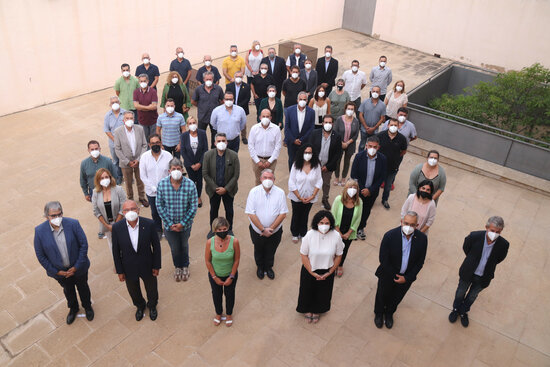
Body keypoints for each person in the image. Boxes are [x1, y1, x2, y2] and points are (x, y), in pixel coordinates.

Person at [34, 201, 93, 325]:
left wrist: (76, 267)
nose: (57, 218)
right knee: (68, 290)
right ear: (46, 216)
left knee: (83, 287)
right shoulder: (39, 231)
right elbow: (41, 256)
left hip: (79, 268)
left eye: (59, 214)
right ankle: (73, 308)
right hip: (61, 273)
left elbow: (83, 245)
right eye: (53, 216)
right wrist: (56, 271)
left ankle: (87, 306)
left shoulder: (73, 224)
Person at [449, 216, 509, 328]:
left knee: (472, 296)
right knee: (461, 292)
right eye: (492, 230)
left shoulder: (504, 244)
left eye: (498, 232)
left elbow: (499, 259)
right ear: (486, 227)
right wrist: (472, 260)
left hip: (484, 277)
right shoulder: (474, 236)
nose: (494, 234)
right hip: (468, 272)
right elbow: (466, 248)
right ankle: (456, 309)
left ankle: (463, 311)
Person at [374, 211, 428, 329]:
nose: (408, 227)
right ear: (401, 222)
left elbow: (420, 262)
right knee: (382, 295)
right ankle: (378, 314)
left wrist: (407, 278)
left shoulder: (422, 239)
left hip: (406, 278)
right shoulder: (390, 236)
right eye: (406, 223)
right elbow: (383, 258)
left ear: (417, 225)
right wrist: (394, 275)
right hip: (388, 275)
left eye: (412, 225)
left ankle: (389, 314)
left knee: (396, 298)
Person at [112, 200, 161, 321]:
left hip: (147, 264)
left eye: (133, 209)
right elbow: (116, 251)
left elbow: (156, 247)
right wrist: (120, 271)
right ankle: (140, 306)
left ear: (138, 210)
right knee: (133, 290)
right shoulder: (117, 228)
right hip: (128, 267)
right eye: (127, 210)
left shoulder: (149, 224)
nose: (130, 212)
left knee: (152, 288)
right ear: (123, 213)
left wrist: (156, 265)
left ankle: (152, 306)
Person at [296, 210, 343, 324]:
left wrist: (331, 271)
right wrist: (312, 272)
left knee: (323, 293)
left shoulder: (336, 236)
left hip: (327, 270)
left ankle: (317, 310)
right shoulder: (310, 235)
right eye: (321, 223)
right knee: (306, 290)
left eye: (327, 223)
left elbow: (338, 255)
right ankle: (307, 309)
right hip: (310, 269)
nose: (324, 226)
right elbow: (304, 255)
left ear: (331, 224)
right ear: (316, 223)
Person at [156, 158, 198, 282]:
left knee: (184, 245)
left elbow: (193, 206)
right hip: (170, 226)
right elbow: (159, 205)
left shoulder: (190, 184)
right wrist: (170, 224)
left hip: (185, 225)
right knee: (174, 247)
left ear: (182, 170)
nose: (176, 171)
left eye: (178, 169)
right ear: (169, 171)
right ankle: (177, 267)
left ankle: (185, 265)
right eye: (173, 169)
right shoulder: (162, 185)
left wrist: (182, 223)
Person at [245, 169, 288, 280]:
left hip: (275, 231)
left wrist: (271, 229)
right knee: (258, 249)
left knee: (271, 249)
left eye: (270, 178)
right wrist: (262, 229)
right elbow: (251, 213)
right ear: (260, 179)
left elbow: (283, 214)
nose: (267, 180)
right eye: (265, 177)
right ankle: (260, 267)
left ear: (274, 179)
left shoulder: (280, 193)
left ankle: (268, 267)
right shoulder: (253, 192)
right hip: (257, 231)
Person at [205, 217, 241, 327]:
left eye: (224, 229)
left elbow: (236, 260)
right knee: (216, 295)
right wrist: (215, 277)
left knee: (230, 294)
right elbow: (207, 261)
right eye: (219, 230)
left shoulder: (234, 241)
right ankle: (218, 314)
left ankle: (229, 314)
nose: (222, 232)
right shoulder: (209, 242)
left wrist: (231, 276)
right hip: (215, 275)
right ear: (215, 230)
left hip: (230, 274)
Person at [350, 136, 387, 240]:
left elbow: (382, 177)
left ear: (378, 147)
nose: (372, 149)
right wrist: (362, 189)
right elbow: (354, 174)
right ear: (366, 146)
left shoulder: (383, 159)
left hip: (372, 192)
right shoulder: (359, 157)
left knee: (366, 211)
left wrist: (370, 190)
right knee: (355, 209)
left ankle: (360, 228)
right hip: (358, 190)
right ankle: (352, 228)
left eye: (374, 147)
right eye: (370, 146)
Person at [80, 140, 116, 240]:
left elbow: (115, 175)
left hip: (108, 189)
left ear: (100, 149)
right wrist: (86, 193)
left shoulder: (107, 161)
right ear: (88, 150)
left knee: (111, 208)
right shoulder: (84, 164)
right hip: (94, 191)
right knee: (99, 210)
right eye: (92, 149)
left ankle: (115, 226)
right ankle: (103, 229)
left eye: (96, 149)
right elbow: (82, 179)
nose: (94, 151)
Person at [203, 133, 240, 231]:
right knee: (213, 211)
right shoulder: (208, 155)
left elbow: (236, 175)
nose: (221, 143)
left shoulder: (233, 155)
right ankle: (213, 230)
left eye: (223, 141)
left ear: (227, 142)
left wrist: (226, 189)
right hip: (213, 190)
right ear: (215, 143)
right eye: (219, 141)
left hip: (229, 190)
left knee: (229, 211)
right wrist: (215, 188)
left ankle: (229, 230)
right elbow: (205, 173)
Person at [139, 134, 173, 236]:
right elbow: (143, 175)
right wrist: (152, 187)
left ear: (161, 143)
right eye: (153, 143)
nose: (155, 145)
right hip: (151, 192)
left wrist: (164, 187)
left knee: (168, 211)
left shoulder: (168, 156)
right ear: (149, 145)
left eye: (157, 142)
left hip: (166, 190)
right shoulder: (144, 157)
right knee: (155, 212)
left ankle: (168, 229)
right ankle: (158, 229)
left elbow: (170, 173)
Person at [288, 144, 323, 243]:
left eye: (309, 153)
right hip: (296, 197)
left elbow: (319, 181)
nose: (308, 154)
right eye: (306, 152)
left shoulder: (316, 166)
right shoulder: (296, 165)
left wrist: (312, 196)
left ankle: (303, 233)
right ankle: (295, 233)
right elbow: (291, 181)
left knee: (305, 215)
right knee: (296, 214)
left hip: (310, 197)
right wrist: (299, 196)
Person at [114, 111, 148, 206]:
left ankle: (142, 197)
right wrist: (127, 162)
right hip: (126, 163)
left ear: (134, 119)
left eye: (131, 118)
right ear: (123, 120)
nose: (129, 120)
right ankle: (130, 199)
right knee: (128, 183)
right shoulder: (118, 131)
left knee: (140, 180)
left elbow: (144, 145)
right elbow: (117, 148)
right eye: (127, 118)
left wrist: (139, 159)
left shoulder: (140, 129)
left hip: (138, 161)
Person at [308, 115, 342, 210]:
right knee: (311, 181)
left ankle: (325, 199)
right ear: (322, 123)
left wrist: (328, 166)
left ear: (333, 124)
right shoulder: (315, 134)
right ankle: (310, 196)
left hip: (328, 166)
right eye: (326, 122)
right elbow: (310, 148)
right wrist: (314, 163)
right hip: (315, 165)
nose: (328, 124)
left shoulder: (337, 136)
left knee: (326, 183)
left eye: (330, 122)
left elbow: (338, 154)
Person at [331, 180, 363, 277]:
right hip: (336, 231)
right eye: (350, 187)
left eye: (354, 188)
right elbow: (333, 215)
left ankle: (340, 265)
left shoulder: (359, 202)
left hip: (349, 232)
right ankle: (331, 264)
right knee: (333, 248)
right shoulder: (338, 199)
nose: (352, 190)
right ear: (346, 189)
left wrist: (349, 233)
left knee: (344, 249)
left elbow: (358, 219)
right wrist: (338, 232)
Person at [92, 168, 126, 252]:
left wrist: (116, 224)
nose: (105, 179)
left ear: (110, 178)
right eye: (102, 178)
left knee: (124, 242)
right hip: (107, 225)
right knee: (112, 245)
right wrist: (107, 226)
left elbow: (123, 206)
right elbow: (96, 211)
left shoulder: (118, 189)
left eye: (106, 177)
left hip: (120, 222)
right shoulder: (95, 192)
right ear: (98, 180)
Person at [377, 118, 408, 209]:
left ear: (398, 126)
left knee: (388, 186)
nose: (393, 127)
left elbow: (403, 151)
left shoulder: (402, 139)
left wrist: (396, 158)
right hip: (379, 166)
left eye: (395, 125)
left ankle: (385, 200)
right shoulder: (380, 135)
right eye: (391, 125)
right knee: (375, 184)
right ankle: (372, 198)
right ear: (388, 125)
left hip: (392, 167)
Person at [180, 116, 208, 208]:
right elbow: (183, 151)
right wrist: (191, 164)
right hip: (189, 164)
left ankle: (198, 196)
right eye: (190, 123)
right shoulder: (184, 136)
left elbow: (205, 149)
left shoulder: (202, 133)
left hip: (200, 163)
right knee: (191, 180)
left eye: (194, 123)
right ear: (187, 125)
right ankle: (192, 196)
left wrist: (200, 163)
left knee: (199, 180)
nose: (192, 125)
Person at [248, 109, 282, 185]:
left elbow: (278, 146)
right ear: (260, 117)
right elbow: (250, 146)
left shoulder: (276, 129)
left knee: (269, 181)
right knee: (258, 181)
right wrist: (257, 161)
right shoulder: (254, 128)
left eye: (267, 116)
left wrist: (270, 161)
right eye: (263, 116)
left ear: (270, 117)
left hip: (271, 161)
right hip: (257, 160)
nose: (265, 118)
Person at [191, 71, 225, 148]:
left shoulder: (218, 89)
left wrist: (217, 108)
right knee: (201, 136)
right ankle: (203, 152)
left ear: (213, 79)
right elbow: (193, 101)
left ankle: (214, 151)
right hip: (202, 116)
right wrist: (200, 106)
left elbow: (222, 100)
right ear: (203, 79)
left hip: (215, 118)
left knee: (215, 135)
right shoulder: (198, 89)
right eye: (207, 79)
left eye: (210, 79)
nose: (208, 81)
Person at [284, 92, 315, 169]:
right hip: (292, 142)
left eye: (304, 99)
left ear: (307, 101)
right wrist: (293, 140)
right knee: (291, 160)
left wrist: (301, 139)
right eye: (300, 99)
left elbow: (311, 128)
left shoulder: (311, 112)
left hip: (304, 142)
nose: (302, 101)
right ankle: (292, 178)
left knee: (304, 161)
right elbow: (287, 127)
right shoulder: (289, 110)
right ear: (297, 100)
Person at [333, 102, 360, 186]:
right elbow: (335, 132)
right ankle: (337, 177)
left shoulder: (356, 121)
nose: (350, 111)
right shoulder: (339, 119)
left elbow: (356, 135)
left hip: (350, 144)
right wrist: (341, 142)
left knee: (347, 161)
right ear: (345, 109)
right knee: (337, 161)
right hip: (339, 143)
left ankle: (344, 177)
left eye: (352, 109)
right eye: (349, 109)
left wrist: (347, 143)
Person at [225, 71, 251, 144]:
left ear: (242, 78)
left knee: (243, 123)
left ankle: (243, 137)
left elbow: (247, 98)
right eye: (237, 76)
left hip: (242, 108)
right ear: (234, 77)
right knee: (230, 122)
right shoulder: (229, 86)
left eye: (240, 77)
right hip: (230, 107)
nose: (238, 78)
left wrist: (238, 107)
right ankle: (230, 136)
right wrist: (231, 105)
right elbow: (226, 96)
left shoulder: (246, 86)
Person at [358, 86, 386, 151]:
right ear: (371, 92)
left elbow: (382, 118)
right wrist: (365, 127)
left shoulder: (382, 105)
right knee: (362, 145)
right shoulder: (365, 102)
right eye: (374, 91)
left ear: (380, 93)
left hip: (375, 131)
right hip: (364, 129)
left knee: (372, 146)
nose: (375, 93)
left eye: (377, 91)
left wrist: (374, 128)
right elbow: (360, 115)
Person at [104, 96, 125, 183]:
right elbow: (106, 130)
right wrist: (115, 140)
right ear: (110, 104)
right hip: (113, 144)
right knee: (116, 161)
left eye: (116, 102)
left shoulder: (125, 113)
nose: (115, 104)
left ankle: (128, 177)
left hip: (124, 142)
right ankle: (118, 177)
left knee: (125, 160)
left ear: (119, 103)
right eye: (113, 102)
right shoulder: (108, 115)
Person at [133, 73, 158, 139]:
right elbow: (136, 106)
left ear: (148, 81)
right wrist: (148, 107)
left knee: (154, 140)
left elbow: (154, 106)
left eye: (144, 81)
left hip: (153, 121)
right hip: (142, 121)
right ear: (139, 82)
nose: (143, 82)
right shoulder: (136, 92)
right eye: (141, 81)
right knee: (144, 141)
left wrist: (141, 107)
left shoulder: (153, 91)